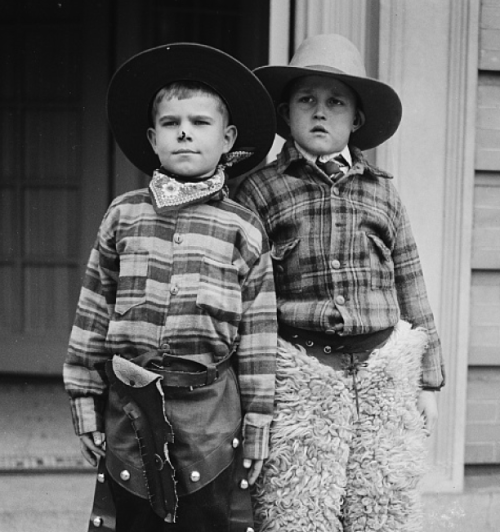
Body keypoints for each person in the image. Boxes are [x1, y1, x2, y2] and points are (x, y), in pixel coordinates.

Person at [234, 34, 445, 532]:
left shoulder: (383, 194)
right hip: (301, 372)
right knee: (298, 503)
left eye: (336, 102)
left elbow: (411, 283)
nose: (321, 112)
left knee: (381, 501)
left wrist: (428, 382)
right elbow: (246, 296)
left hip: (379, 373)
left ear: (357, 119)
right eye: (307, 100)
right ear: (286, 114)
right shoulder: (261, 190)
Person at [63, 42, 277, 532]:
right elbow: (92, 313)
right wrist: (83, 400)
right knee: (134, 517)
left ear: (228, 139)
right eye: (170, 123)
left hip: (211, 418)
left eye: (201, 123)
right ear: (152, 138)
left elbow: (261, 338)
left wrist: (259, 421)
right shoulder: (124, 215)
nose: (184, 131)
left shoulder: (242, 228)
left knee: (208, 518)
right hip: (129, 413)